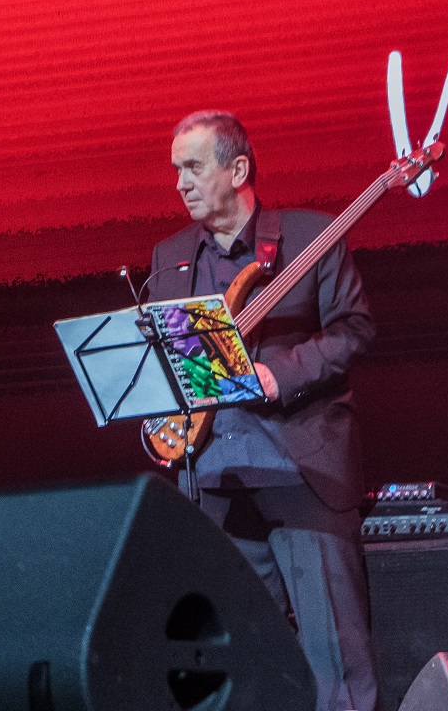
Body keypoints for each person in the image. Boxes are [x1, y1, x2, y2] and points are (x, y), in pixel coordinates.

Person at [146, 111, 377, 711]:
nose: (180, 183)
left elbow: (353, 330)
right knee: (244, 659)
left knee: (335, 662)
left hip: (299, 469)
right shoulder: (170, 257)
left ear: (238, 169)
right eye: (176, 170)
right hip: (214, 476)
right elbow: (170, 363)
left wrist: (281, 374)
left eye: (193, 167)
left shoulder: (311, 235)